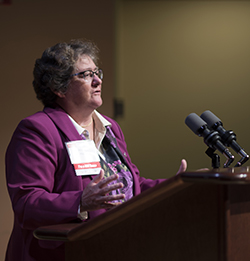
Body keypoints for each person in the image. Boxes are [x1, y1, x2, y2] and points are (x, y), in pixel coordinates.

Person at [5, 39, 187, 261]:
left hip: (115, 247)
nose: (98, 80)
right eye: (85, 75)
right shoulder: (38, 130)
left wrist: (174, 186)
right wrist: (80, 201)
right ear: (58, 87)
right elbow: (27, 203)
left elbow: (130, 185)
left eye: (97, 72)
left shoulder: (110, 128)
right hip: (63, 254)